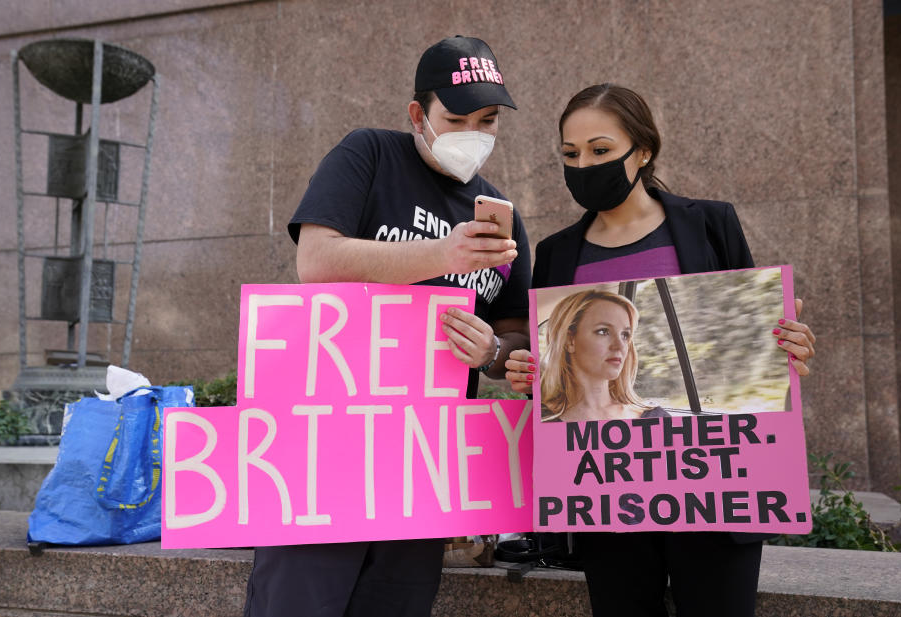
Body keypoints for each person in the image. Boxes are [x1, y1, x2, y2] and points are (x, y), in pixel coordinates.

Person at [242, 36, 531, 617]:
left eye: (489, 119)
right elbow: (316, 261)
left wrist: (494, 351)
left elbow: (515, 338)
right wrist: (442, 256)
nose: (473, 132)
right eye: (456, 118)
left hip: (419, 474)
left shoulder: (502, 219)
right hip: (325, 459)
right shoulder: (368, 155)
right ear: (418, 115)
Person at [505, 84, 816, 617]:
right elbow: (557, 373)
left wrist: (787, 346)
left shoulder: (709, 225)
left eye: (601, 151)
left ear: (643, 151)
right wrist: (532, 373)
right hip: (608, 496)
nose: (584, 165)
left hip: (715, 488)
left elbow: (750, 349)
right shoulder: (556, 255)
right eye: (570, 154)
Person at [540, 289, 666, 422]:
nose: (620, 346)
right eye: (603, 331)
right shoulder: (538, 419)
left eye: (625, 335)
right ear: (569, 340)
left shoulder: (657, 418)